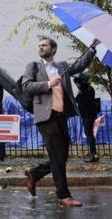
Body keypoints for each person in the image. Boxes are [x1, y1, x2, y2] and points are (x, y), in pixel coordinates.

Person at [22, 36, 98, 207]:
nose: (41, 47)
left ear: (53, 49)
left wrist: (92, 48)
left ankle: (34, 173)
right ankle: (63, 195)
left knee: (61, 156)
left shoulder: (62, 66)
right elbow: (26, 86)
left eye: (44, 45)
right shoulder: (33, 66)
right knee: (57, 156)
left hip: (61, 116)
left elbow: (79, 65)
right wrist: (48, 83)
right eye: (39, 45)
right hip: (45, 117)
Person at [74, 75, 99, 163]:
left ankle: (93, 153)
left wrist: (79, 88)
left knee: (89, 134)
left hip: (87, 115)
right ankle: (93, 153)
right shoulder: (90, 88)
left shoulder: (83, 90)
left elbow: (77, 99)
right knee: (90, 134)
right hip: (91, 114)